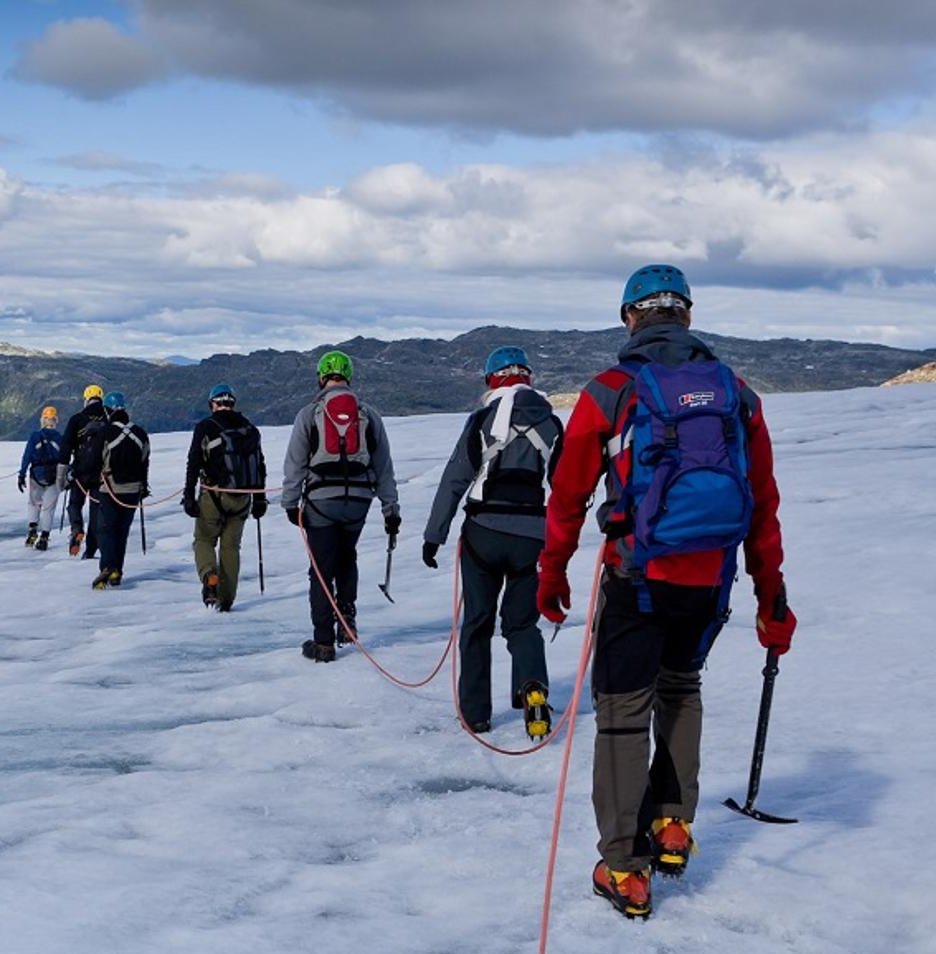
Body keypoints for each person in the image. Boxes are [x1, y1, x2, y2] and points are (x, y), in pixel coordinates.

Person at [538, 264, 792, 921]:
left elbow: (567, 496)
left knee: (623, 712)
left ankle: (624, 866)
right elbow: (762, 503)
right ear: (686, 314)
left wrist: (553, 571)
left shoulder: (611, 391)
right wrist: (772, 597)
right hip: (709, 577)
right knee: (681, 689)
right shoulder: (736, 393)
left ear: (630, 317)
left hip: (638, 576)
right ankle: (673, 827)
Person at [422, 347, 564, 735]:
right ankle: (532, 686)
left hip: (482, 533)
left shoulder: (482, 420)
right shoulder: (552, 424)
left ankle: (475, 714)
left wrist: (433, 536)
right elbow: (566, 491)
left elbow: (455, 478)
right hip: (533, 535)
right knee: (521, 624)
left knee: (478, 624)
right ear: (528, 378)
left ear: (491, 380)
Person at [276, 351, 399, 661]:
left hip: (321, 501)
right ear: (349, 377)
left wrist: (291, 504)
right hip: (358, 502)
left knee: (321, 569)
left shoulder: (310, 413)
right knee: (347, 556)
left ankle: (324, 642)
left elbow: (295, 464)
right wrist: (390, 510)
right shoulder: (368, 415)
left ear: (321, 377)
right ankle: (347, 623)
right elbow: (383, 467)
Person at [182, 384, 267, 612]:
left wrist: (188, 496)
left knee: (204, 540)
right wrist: (260, 500)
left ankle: (209, 575)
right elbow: (260, 465)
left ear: (213, 404)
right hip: (242, 498)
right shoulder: (249, 428)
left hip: (213, 495)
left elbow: (194, 461)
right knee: (231, 548)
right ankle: (226, 601)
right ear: (233, 403)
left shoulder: (206, 426)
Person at [89, 392, 149, 589]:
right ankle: (117, 572)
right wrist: (143, 487)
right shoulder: (140, 433)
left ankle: (108, 566)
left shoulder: (105, 432)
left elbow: (94, 461)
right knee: (121, 531)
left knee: (105, 529)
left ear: (107, 410)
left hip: (110, 489)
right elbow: (144, 461)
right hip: (133, 490)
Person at [59, 385, 110, 557]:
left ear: (86, 399)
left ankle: (76, 528)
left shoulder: (77, 419)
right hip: (100, 472)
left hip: (79, 470)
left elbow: (66, 446)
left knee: (74, 504)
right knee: (96, 510)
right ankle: (90, 550)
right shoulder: (107, 418)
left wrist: (63, 473)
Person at [17, 405, 66, 550]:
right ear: (55, 420)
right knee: (48, 509)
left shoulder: (35, 436)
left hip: (36, 475)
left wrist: (21, 474)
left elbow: (27, 456)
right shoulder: (60, 438)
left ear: (43, 420)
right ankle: (44, 537)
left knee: (34, 503)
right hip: (54, 476)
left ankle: (32, 530)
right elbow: (65, 459)